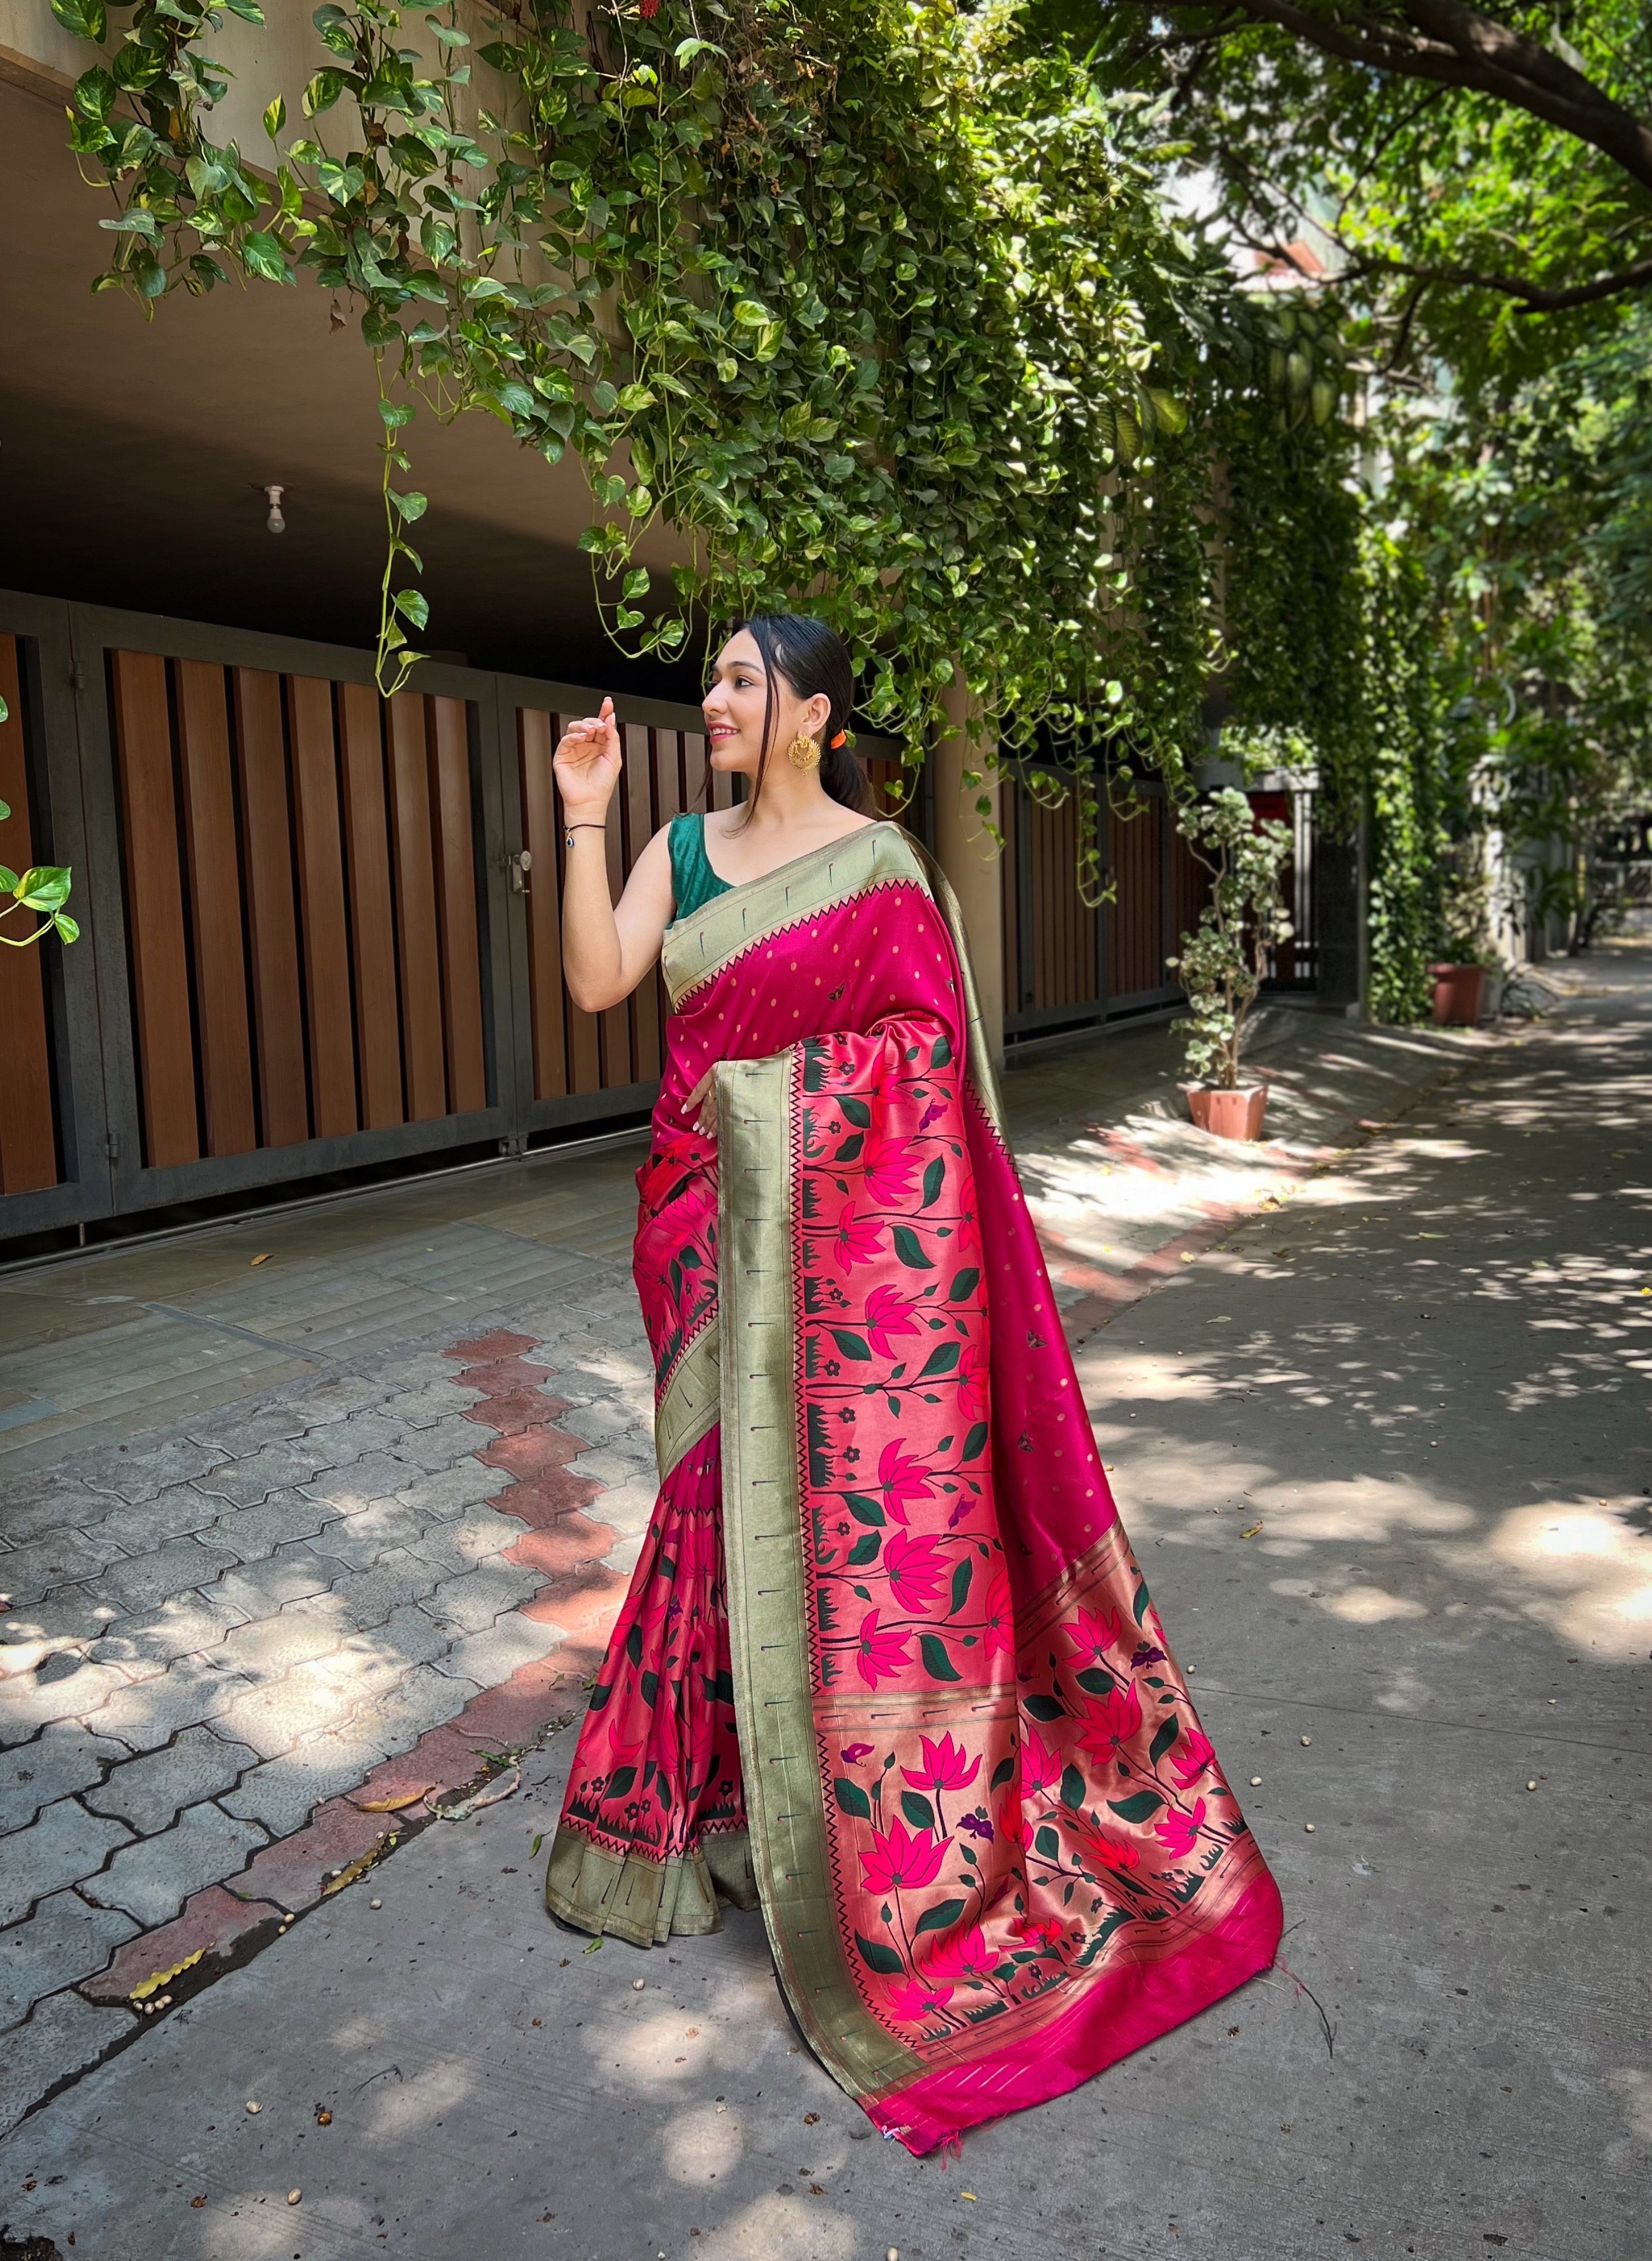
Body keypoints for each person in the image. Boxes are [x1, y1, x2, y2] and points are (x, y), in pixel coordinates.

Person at [543, 613, 1281, 2154]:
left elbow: (926, 1068)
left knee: (810, 1514)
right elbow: (604, 985)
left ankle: (825, 1827)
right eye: (717, 680)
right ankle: (705, 1819)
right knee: (707, 1494)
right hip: (696, 1216)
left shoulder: (883, 870)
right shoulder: (676, 846)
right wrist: (584, 807)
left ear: (810, 713)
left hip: (835, 1250)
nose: (716, 700)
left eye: (745, 681)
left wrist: (782, 1106)